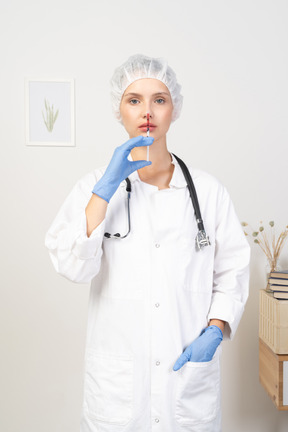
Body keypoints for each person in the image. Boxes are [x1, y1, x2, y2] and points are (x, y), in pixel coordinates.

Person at [45, 54, 250, 432]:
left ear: (174, 109)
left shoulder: (208, 192)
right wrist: (104, 190)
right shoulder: (94, 187)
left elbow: (232, 271)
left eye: (159, 99)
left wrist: (216, 329)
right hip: (119, 388)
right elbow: (72, 265)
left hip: (185, 380)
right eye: (134, 99)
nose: (147, 111)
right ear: (118, 110)